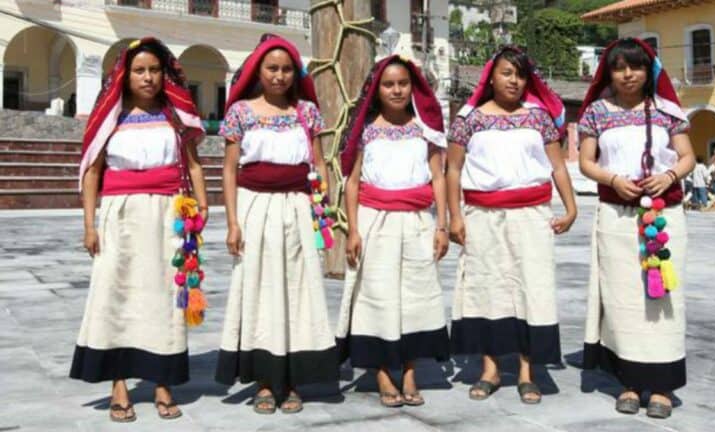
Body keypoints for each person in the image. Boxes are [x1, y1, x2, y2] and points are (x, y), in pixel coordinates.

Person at [70, 37, 208, 422]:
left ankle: (162, 384)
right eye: (139, 71)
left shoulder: (175, 116)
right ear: (125, 75)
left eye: (155, 70)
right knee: (118, 295)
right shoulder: (109, 117)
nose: (148, 78)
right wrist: (89, 225)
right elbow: (93, 172)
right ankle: (118, 384)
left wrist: (204, 203)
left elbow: (194, 165)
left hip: (169, 215)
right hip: (121, 216)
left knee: (165, 295)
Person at [446, 46, 577, 404]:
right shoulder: (468, 118)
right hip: (482, 217)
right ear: (491, 76)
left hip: (530, 216)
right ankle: (489, 369)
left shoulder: (538, 117)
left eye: (519, 74)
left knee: (530, 289)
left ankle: (526, 371)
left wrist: (571, 207)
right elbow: (453, 169)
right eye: (506, 73)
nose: (514, 81)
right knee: (487, 289)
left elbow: (558, 166)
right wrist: (454, 217)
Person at [215, 34, 338, 415]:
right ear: (258, 70)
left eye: (287, 69)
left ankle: (294, 379)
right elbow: (230, 169)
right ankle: (265, 381)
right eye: (272, 68)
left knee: (298, 289)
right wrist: (233, 222)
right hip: (255, 209)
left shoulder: (307, 112)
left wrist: (323, 211)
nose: (280, 76)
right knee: (259, 289)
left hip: (299, 208)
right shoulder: (240, 112)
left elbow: (318, 164)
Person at [577, 38, 695, 419]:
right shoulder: (596, 112)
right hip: (616, 216)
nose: (628, 74)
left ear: (649, 71)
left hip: (662, 217)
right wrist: (612, 179)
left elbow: (689, 155)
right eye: (619, 67)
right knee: (622, 298)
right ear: (608, 72)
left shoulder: (667, 111)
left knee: (663, 299)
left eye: (636, 67)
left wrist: (669, 174)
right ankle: (628, 382)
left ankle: (662, 387)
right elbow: (586, 162)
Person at [336, 55, 450, 408]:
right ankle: (383, 372)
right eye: (389, 84)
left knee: (414, 298)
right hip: (375, 222)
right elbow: (352, 182)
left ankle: (411, 371)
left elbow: (438, 177)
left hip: (417, 223)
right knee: (378, 296)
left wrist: (442, 225)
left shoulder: (425, 130)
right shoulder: (365, 131)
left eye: (403, 83)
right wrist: (353, 230)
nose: (397, 90)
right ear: (377, 89)